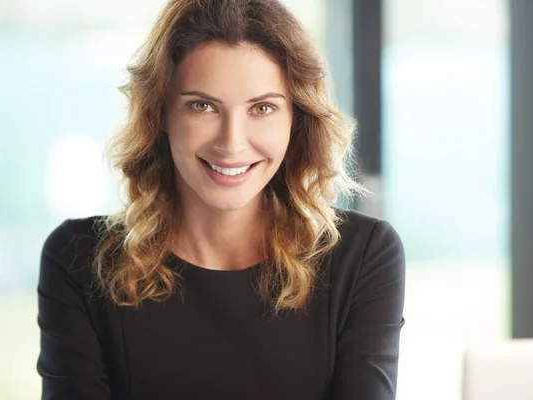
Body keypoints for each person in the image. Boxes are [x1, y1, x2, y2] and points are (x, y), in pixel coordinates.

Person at [36, 0, 406, 399]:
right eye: (203, 106)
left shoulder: (361, 257)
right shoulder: (79, 261)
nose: (231, 143)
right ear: (160, 111)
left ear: (296, 117)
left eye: (262, 108)